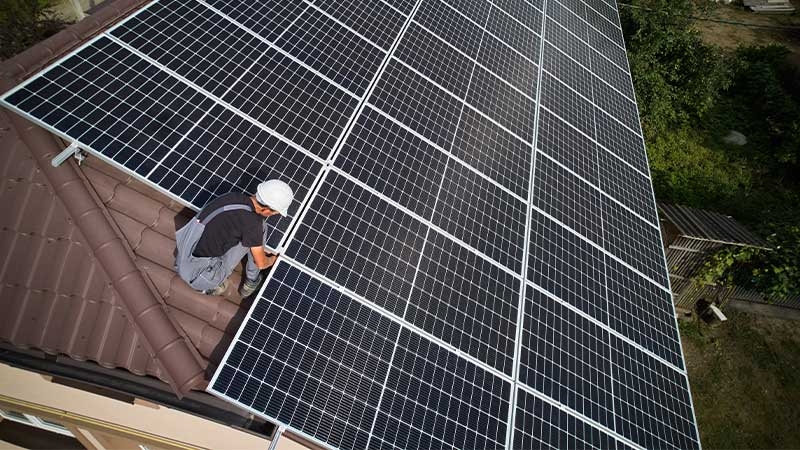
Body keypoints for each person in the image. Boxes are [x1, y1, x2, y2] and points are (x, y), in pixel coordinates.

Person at [174, 180, 294, 297]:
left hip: (183, 255)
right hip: (200, 275)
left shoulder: (232, 197)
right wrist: (272, 260)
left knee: (251, 234)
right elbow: (261, 263)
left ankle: (206, 280)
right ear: (266, 209)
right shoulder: (253, 225)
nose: (273, 215)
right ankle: (251, 281)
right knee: (261, 230)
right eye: (274, 213)